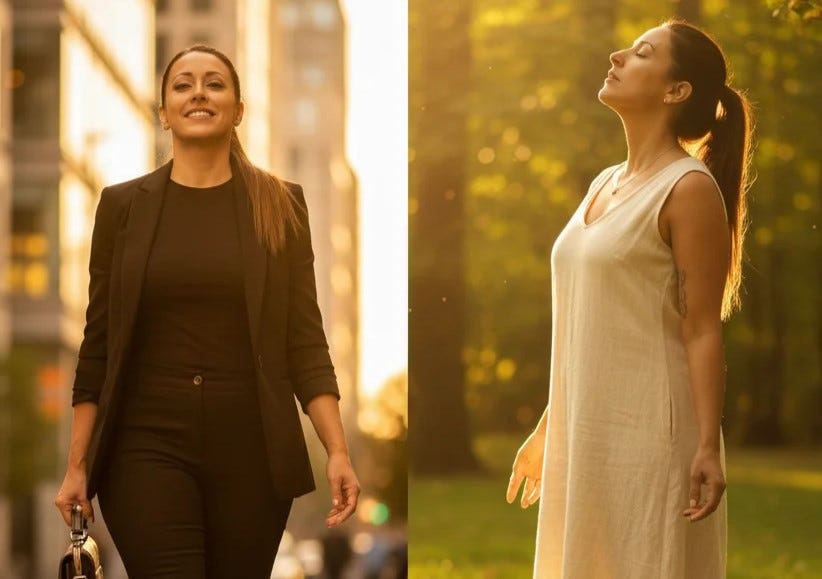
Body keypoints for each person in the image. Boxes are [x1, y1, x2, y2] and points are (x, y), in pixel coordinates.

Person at [54, 44, 361, 578]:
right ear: (164, 110)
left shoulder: (280, 205)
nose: (199, 92)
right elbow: (97, 346)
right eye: (183, 84)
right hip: (144, 443)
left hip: (251, 449)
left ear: (238, 108)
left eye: (215, 83)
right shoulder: (123, 207)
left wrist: (337, 449)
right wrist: (77, 465)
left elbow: (305, 343)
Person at [506, 19, 752, 578]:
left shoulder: (688, 189)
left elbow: (702, 328)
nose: (617, 55)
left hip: (650, 438)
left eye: (641, 53)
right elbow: (590, 326)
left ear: (675, 91)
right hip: (586, 434)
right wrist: (548, 428)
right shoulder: (603, 183)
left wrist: (707, 447)